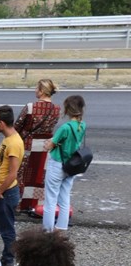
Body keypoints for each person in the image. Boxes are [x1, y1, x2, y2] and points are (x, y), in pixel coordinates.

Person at [0, 105, 23, 266]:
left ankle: (9, 261)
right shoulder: (7, 140)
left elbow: (13, 173)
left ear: (1, 123)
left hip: (5, 193)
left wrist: (0, 191)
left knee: (7, 229)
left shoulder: (14, 143)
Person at [14, 79, 60, 214]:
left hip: (27, 145)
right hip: (45, 147)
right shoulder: (56, 109)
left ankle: (20, 204)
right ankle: (36, 205)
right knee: (39, 176)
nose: (35, 91)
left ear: (42, 91)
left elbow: (18, 126)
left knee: (21, 175)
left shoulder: (30, 107)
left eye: (36, 88)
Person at [42, 95, 86, 232]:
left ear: (68, 109)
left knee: (50, 199)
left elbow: (50, 145)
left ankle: (48, 231)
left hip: (57, 164)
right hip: (71, 165)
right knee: (64, 198)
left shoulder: (65, 127)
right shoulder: (82, 125)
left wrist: (48, 144)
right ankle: (61, 227)